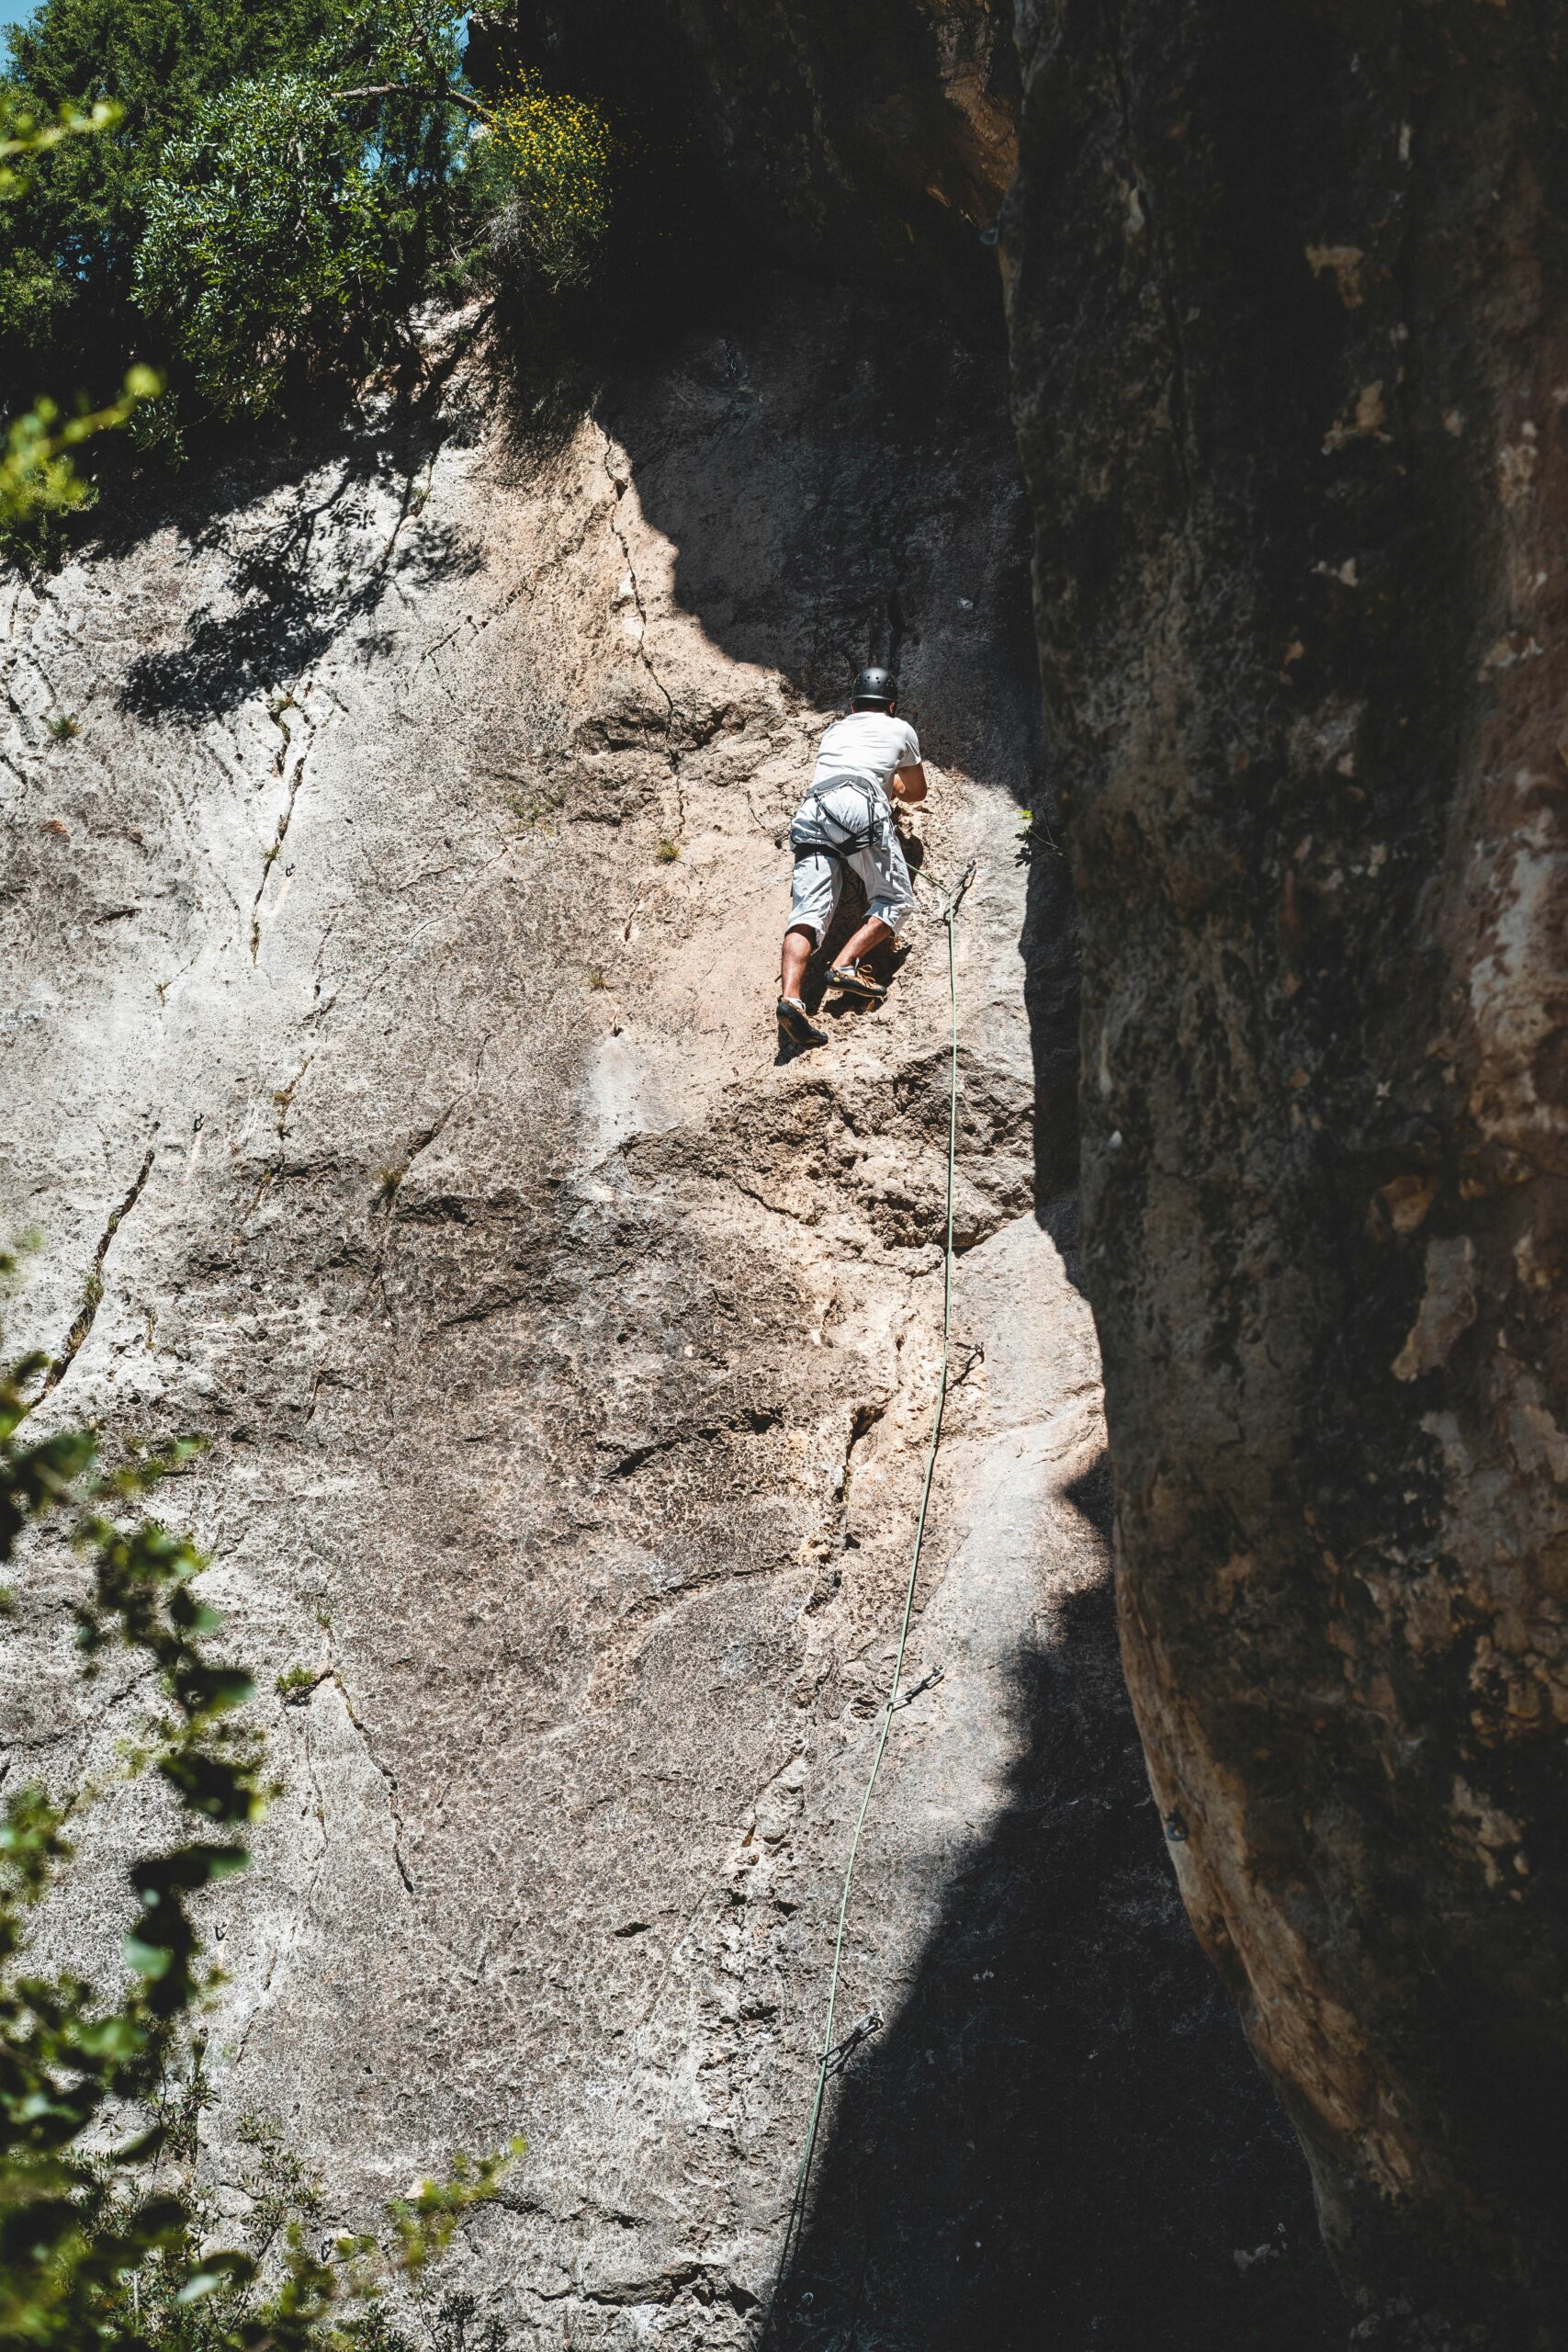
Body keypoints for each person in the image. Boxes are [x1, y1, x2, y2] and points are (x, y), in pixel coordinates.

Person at [776, 666, 928, 1048]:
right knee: (895, 900)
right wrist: (890, 782)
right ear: (891, 705)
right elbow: (916, 792)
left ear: (853, 705)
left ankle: (791, 999)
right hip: (859, 802)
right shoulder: (901, 729)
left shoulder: (836, 730)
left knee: (807, 914)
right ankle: (844, 966)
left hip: (815, 806)